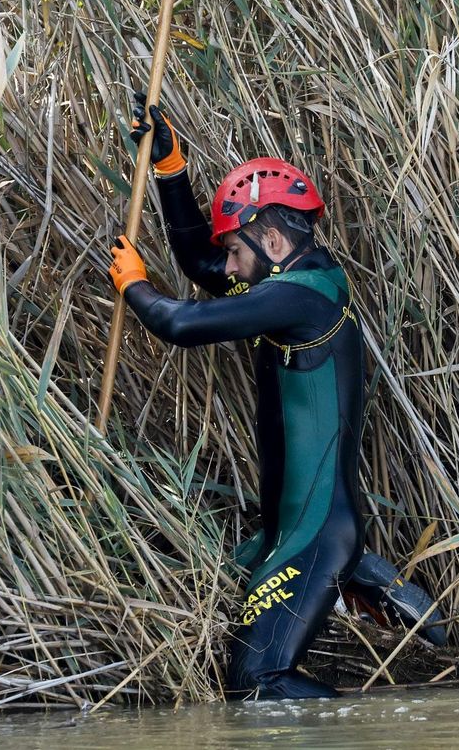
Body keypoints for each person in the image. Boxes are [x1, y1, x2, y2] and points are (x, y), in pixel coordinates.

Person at [106, 94, 368, 700]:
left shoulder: (303, 296)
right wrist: (171, 171)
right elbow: (202, 262)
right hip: (292, 530)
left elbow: (180, 324)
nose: (228, 265)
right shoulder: (289, 281)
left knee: (259, 683)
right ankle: (371, 581)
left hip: (315, 533)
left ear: (271, 239)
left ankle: (369, 732)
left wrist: (136, 286)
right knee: (250, 674)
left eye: (237, 251)